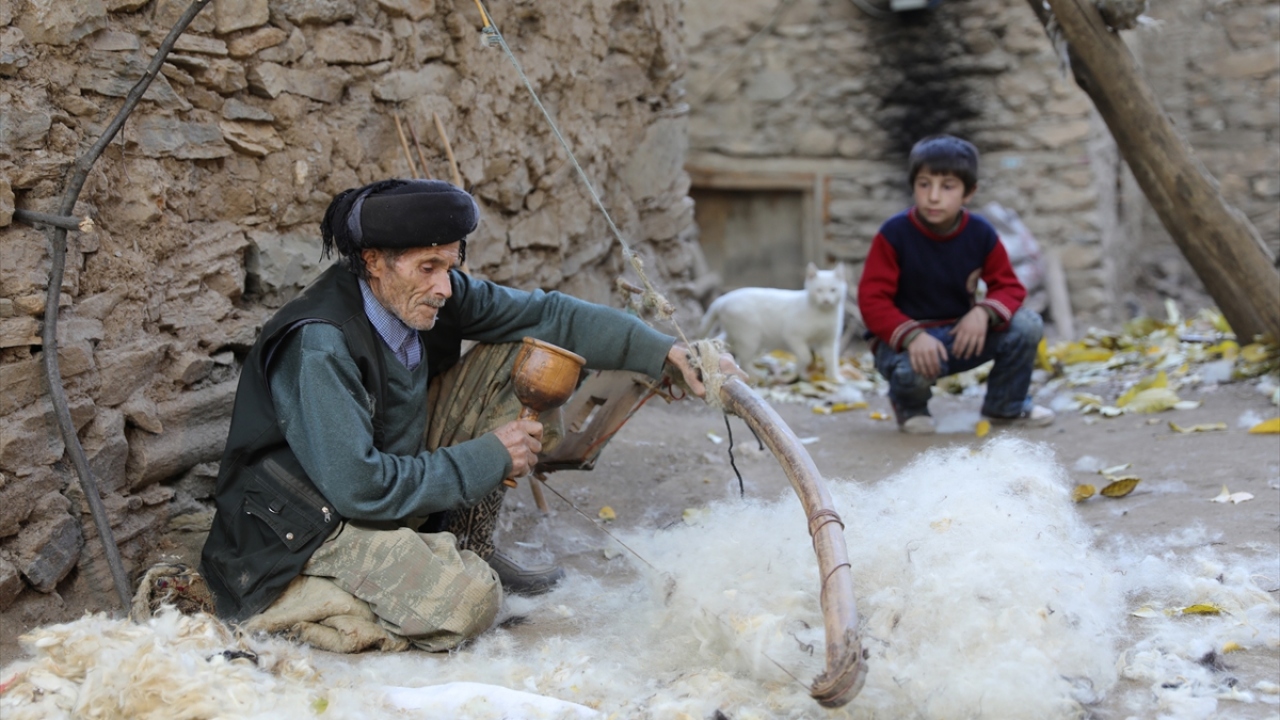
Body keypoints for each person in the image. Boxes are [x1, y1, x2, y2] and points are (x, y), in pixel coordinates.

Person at [198, 178, 741, 652]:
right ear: (373, 263)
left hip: (383, 480)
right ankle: (288, 607)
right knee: (472, 602)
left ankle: (463, 546)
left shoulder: (431, 292)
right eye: (427, 267)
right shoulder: (320, 345)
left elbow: (549, 315)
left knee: (523, 351)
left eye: (451, 265)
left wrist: (663, 352)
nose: (444, 284)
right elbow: (359, 488)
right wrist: (488, 456)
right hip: (307, 527)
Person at [857, 135, 1054, 435]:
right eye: (924, 184)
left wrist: (983, 313)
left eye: (947, 187)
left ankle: (1006, 405)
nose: (933, 196)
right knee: (909, 372)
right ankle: (911, 407)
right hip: (907, 345)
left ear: (968, 192)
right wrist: (913, 336)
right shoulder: (894, 234)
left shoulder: (980, 233)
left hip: (959, 335)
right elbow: (873, 301)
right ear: (914, 186)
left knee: (1027, 325)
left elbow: (1010, 288)